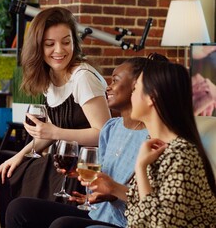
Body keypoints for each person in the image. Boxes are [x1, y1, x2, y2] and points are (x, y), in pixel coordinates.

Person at [51, 57, 216, 227]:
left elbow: (157, 224)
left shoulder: (181, 155)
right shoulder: (157, 148)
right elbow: (144, 212)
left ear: (152, 97)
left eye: (136, 89)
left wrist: (140, 168)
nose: (132, 95)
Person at [5, 55, 160, 228]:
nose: (108, 87)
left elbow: (153, 202)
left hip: (123, 221)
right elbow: (101, 177)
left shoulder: (154, 138)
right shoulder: (111, 128)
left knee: (62, 225)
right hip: (96, 213)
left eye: (115, 81)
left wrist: (113, 191)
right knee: (19, 208)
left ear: (138, 88)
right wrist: (87, 181)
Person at [0, 7, 111, 227]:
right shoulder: (50, 77)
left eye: (66, 42)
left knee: (21, 189)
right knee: (8, 174)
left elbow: (103, 133)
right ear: (38, 47)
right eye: (50, 44)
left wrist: (54, 132)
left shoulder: (82, 77)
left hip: (86, 168)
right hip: (63, 160)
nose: (59, 50)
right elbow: (50, 132)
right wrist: (20, 155)